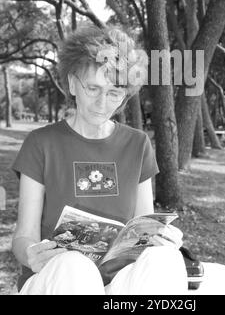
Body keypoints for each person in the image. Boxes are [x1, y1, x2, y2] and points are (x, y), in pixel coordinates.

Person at [11, 23, 188, 295]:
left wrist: (158, 239)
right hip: (56, 279)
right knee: (75, 265)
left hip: (117, 284)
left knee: (166, 258)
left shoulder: (137, 144)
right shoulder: (41, 143)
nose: (102, 103)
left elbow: (143, 226)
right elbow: (24, 236)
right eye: (93, 88)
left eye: (114, 93)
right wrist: (31, 254)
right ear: (72, 83)